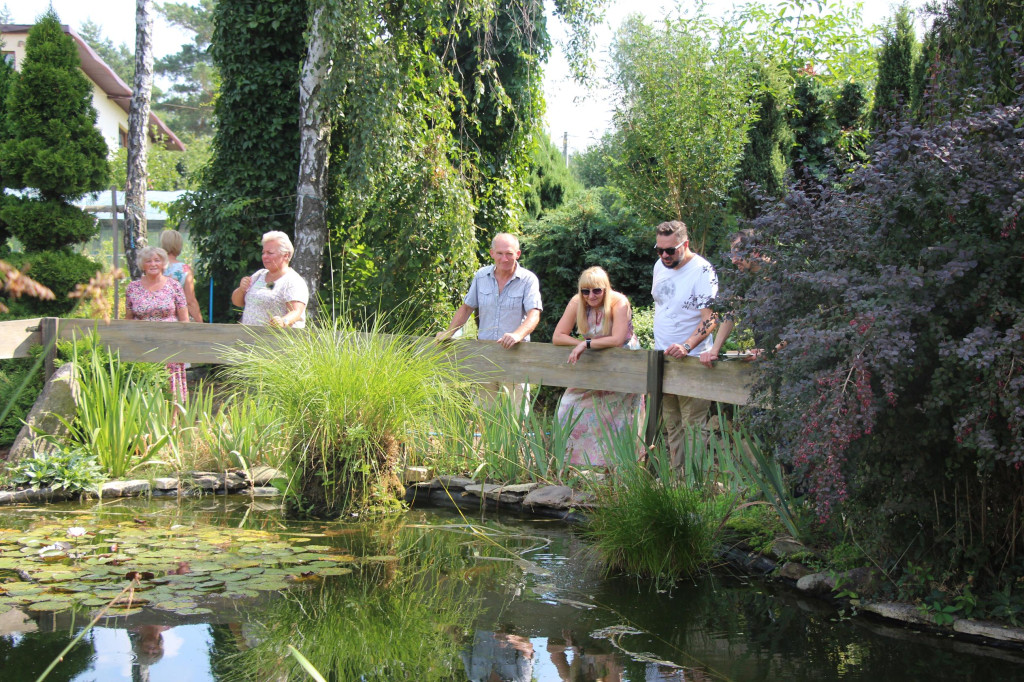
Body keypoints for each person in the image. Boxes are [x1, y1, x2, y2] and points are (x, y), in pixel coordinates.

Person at [551, 267, 645, 467]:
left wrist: (586, 344)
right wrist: (579, 344)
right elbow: (558, 336)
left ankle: (621, 470)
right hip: (594, 364)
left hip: (623, 366)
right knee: (567, 408)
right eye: (585, 291)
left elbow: (618, 339)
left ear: (606, 289)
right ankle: (576, 464)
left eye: (596, 291)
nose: (590, 296)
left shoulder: (619, 303)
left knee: (621, 421)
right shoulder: (577, 303)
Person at [436, 233, 542, 408]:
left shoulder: (528, 279)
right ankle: (485, 437)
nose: (504, 258)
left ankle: (514, 437)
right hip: (484, 355)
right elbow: (467, 308)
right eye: (500, 253)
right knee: (483, 415)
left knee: (516, 416)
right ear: (492, 253)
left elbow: (534, 313)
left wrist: (517, 335)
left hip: (516, 355)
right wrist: (449, 333)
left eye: (509, 253)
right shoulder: (481, 276)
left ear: (518, 254)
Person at [651, 220, 718, 473]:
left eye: (671, 250)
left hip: (692, 359)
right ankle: (678, 480)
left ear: (685, 244)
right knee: (672, 424)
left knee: (694, 424)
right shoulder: (660, 265)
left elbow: (710, 318)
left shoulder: (702, 270)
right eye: (659, 250)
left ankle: (695, 482)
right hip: (663, 358)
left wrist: (687, 346)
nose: (665, 255)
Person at [125, 246, 190, 403]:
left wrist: (184, 343)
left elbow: (184, 319)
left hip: (170, 345)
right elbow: (127, 319)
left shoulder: (174, 286)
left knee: (172, 386)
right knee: (146, 386)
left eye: (157, 260)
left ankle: (172, 424)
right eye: (148, 261)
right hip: (143, 346)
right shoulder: (132, 288)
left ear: (163, 263)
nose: (153, 264)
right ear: (143, 265)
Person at [231, 231, 309, 328]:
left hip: (275, 340)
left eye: (270, 253)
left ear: (286, 255)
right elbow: (237, 302)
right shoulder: (259, 275)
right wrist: (241, 289)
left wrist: (283, 321)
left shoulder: (293, 281)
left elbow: (296, 311)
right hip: (248, 339)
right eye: (263, 253)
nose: (264, 256)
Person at [159, 229, 203, 323]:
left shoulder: (154, 267)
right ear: (179, 245)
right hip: (175, 320)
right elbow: (190, 301)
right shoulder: (184, 269)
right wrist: (200, 323)